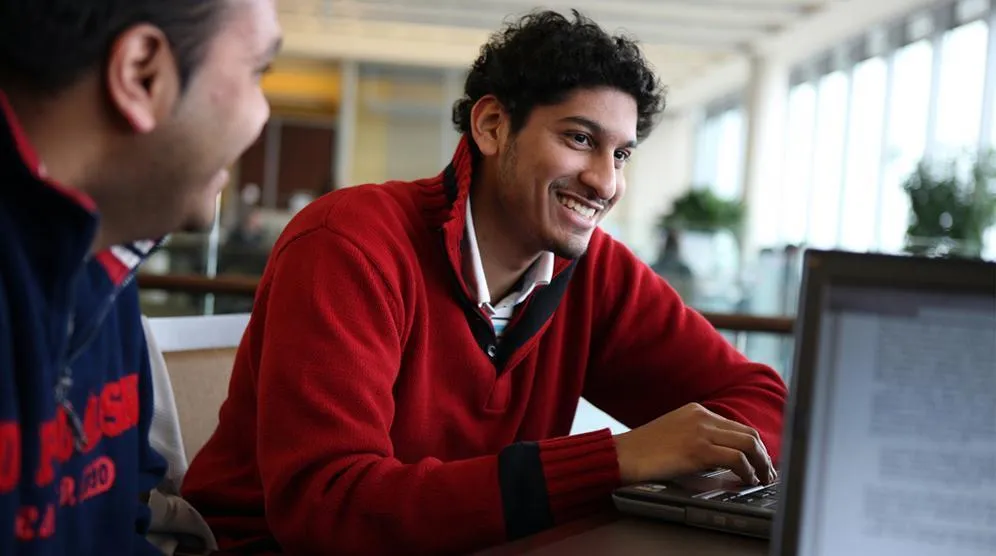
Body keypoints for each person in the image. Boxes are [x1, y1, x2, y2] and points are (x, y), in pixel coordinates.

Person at [183, 10, 788, 555]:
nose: (606, 182)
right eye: (580, 139)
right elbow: (329, 509)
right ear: (493, 125)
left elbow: (765, 401)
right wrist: (612, 462)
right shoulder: (348, 244)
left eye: (622, 154)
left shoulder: (596, 270)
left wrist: (695, 461)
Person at [0, 1, 281, 554]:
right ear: (141, 75)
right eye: (257, 71)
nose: (263, 112)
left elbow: (129, 513)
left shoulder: (106, 258)